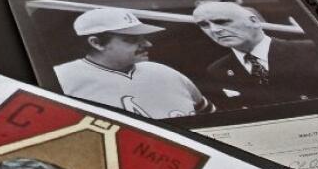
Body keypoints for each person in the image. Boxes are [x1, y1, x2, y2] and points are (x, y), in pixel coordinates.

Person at [191, 0, 318, 110]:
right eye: (203, 25)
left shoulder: (310, 51)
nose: (215, 30)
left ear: (254, 21)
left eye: (222, 21)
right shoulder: (218, 70)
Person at [52, 7, 213, 118]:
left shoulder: (165, 72)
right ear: (97, 43)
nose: (148, 44)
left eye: (143, 37)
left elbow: (209, 117)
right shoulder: (61, 79)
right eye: (132, 39)